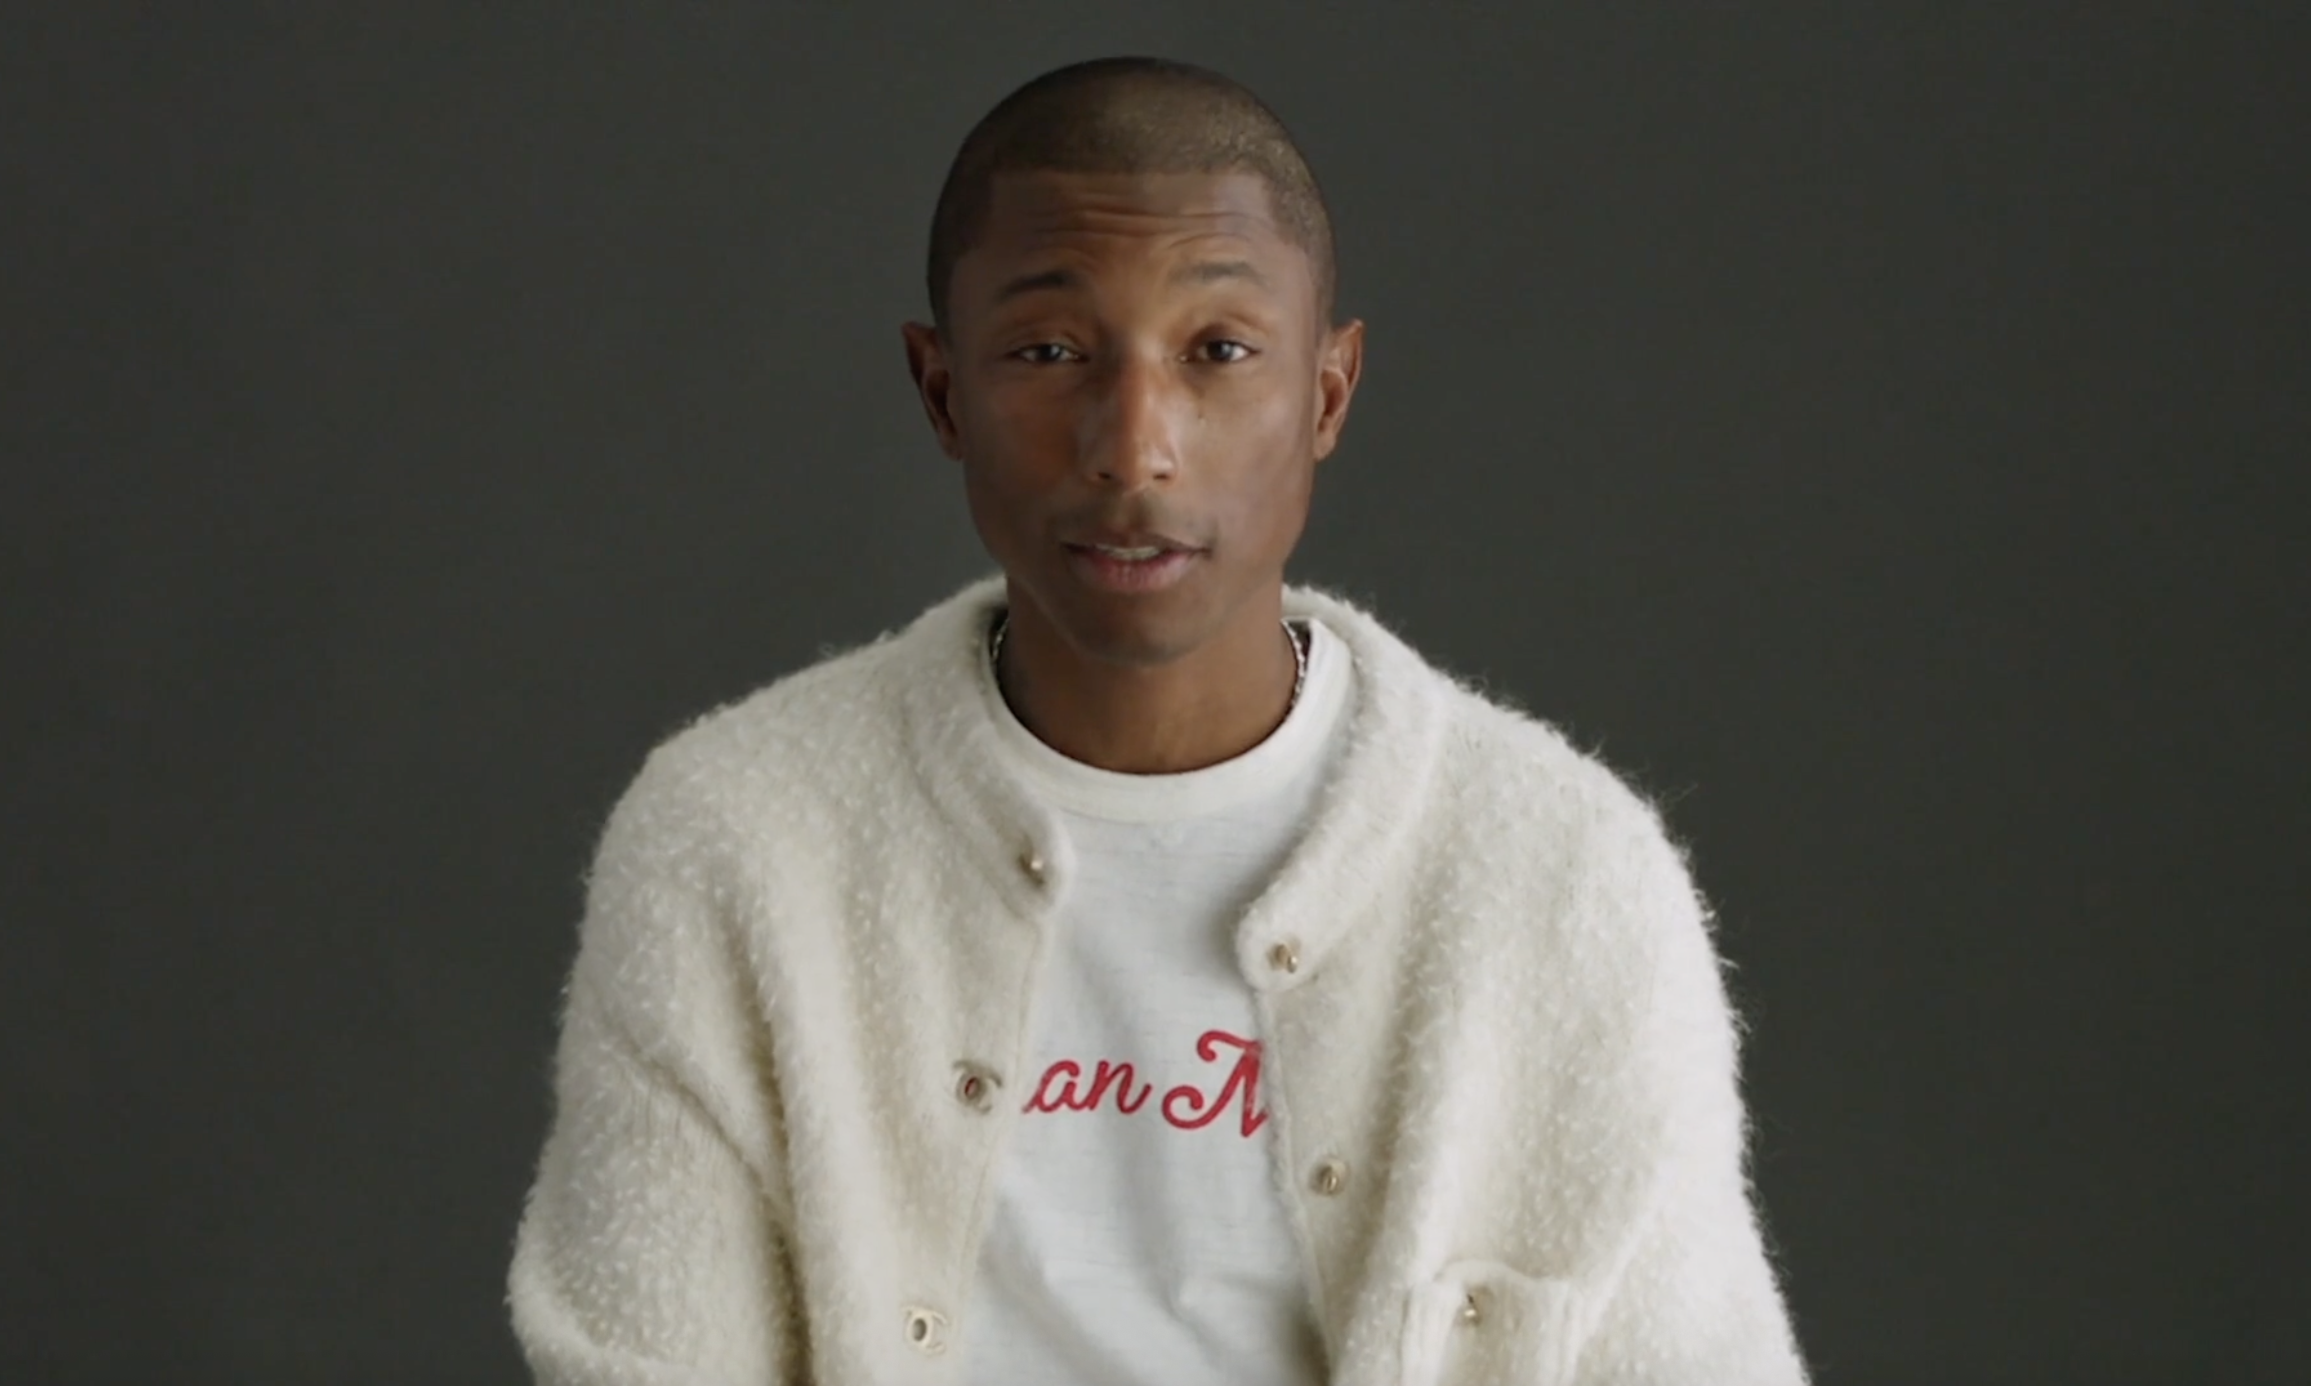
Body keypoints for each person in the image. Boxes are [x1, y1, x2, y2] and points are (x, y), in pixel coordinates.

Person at [507, 55, 1808, 1386]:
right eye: (1051, 350)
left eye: (1219, 351)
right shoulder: (732, 842)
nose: (1134, 446)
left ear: (1326, 393)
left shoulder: (1562, 875)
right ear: (941, 389)